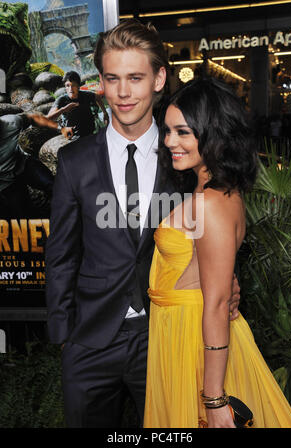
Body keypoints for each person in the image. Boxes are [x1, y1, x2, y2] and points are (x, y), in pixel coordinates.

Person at [45, 20, 240, 428]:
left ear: (159, 78)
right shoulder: (74, 161)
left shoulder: (187, 159)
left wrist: (227, 285)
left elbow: (217, 234)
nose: (123, 92)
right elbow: (61, 254)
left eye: (135, 77)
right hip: (90, 340)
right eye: (112, 78)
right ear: (100, 81)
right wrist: (64, 336)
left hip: (167, 337)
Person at [143, 77, 291, 428]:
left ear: (212, 133)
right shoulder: (216, 192)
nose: (170, 141)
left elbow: (215, 303)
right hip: (185, 332)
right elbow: (211, 272)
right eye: (167, 131)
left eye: (183, 132)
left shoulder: (210, 202)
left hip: (194, 340)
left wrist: (214, 400)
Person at [0, 112, 73, 218]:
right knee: (23, 214)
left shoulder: (11, 122)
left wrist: (60, 128)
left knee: (53, 185)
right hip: (6, 182)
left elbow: (33, 118)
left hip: (23, 164)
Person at [47, 70, 109, 139]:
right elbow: (49, 118)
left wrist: (105, 113)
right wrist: (63, 109)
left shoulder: (85, 95)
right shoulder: (62, 100)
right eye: (67, 86)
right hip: (74, 135)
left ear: (78, 86)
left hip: (90, 130)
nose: (70, 89)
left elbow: (97, 97)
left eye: (73, 85)